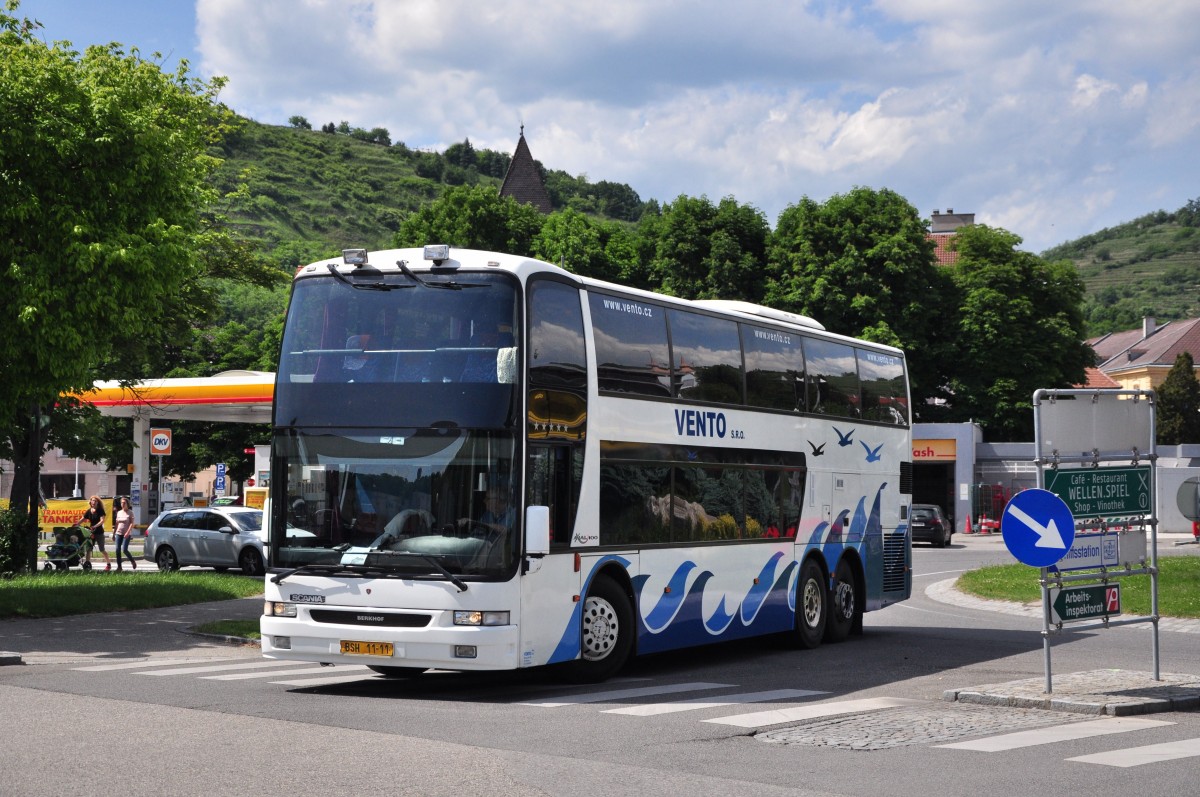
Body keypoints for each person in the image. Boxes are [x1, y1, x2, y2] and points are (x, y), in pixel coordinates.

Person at [77, 495, 111, 571]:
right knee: (89, 548)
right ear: (90, 502)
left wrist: (95, 526)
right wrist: (77, 524)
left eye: (95, 501)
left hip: (99, 532)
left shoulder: (100, 510)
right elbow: (83, 519)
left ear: (97, 503)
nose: (93, 502)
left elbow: (102, 521)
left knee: (102, 549)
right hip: (91, 533)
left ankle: (108, 564)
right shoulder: (89, 511)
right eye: (92, 500)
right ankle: (87, 564)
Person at [113, 497, 136, 571]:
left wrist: (128, 532)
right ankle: (119, 567)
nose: (122, 504)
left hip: (126, 534)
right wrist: (114, 534)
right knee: (117, 549)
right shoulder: (119, 512)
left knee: (124, 550)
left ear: (127, 504)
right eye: (121, 503)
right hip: (118, 533)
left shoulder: (130, 512)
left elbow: (132, 523)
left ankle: (132, 561)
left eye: (124, 503)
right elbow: (116, 524)